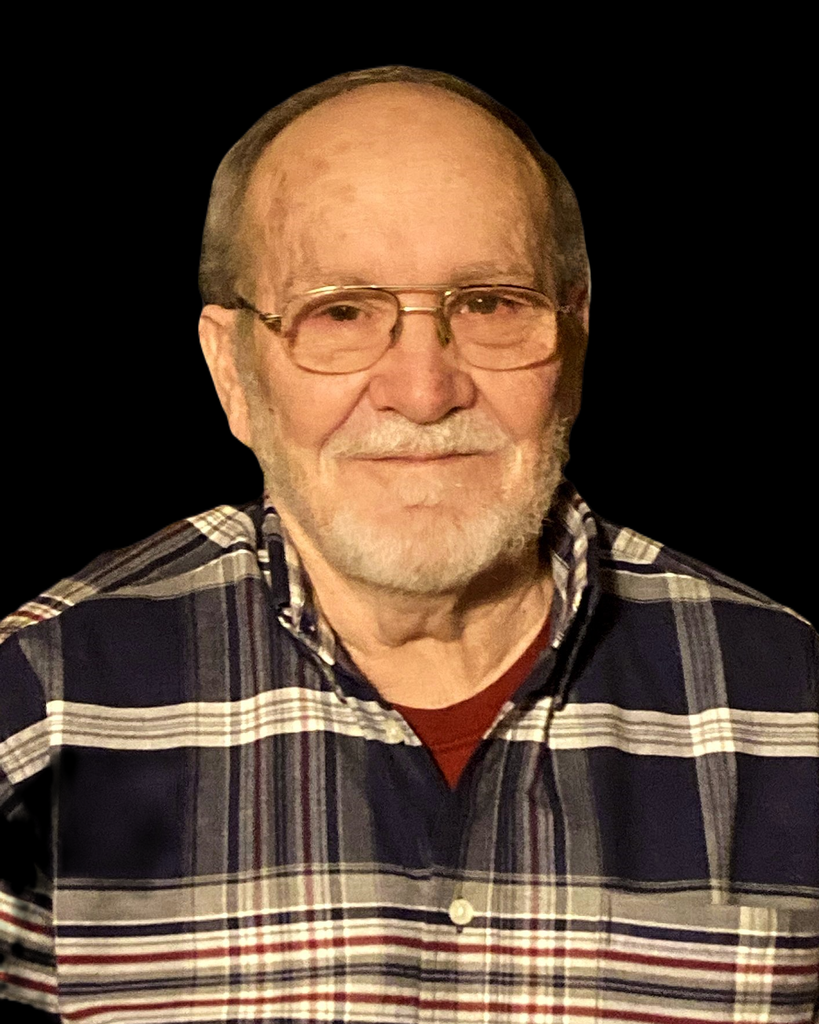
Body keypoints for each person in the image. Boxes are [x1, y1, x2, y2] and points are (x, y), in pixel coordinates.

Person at [1, 65, 816, 1023]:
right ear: (231, 369)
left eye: (490, 304)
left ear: (574, 339)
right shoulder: (41, 702)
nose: (424, 392)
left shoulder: (789, 701)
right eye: (341, 313)